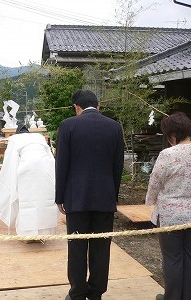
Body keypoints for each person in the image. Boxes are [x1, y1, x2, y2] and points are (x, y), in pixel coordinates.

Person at [55, 90, 124, 300]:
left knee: (77, 247)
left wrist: (60, 197)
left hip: (76, 198)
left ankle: (77, 292)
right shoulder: (114, 127)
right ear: (98, 105)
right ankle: (96, 293)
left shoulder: (68, 125)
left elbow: (62, 164)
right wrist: (113, 195)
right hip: (105, 198)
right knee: (101, 248)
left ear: (77, 107)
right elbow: (118, 166)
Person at [145, 112, 191, 300]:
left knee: (173, 258)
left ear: (173, 134)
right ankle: (185, 297)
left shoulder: (167, 154)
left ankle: (172, 297)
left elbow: (155, 182)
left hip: (171, 215)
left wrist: (149, 202)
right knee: (189, 256)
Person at [0, 123, 58, 237]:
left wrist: (11, 179)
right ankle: (45, 233)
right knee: (45, 198)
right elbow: (50, 156)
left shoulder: (14, 139)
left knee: (27, 199)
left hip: (26, 170)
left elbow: (10, 161)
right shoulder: (39, 137)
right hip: (45, 169)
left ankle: (28, 234)